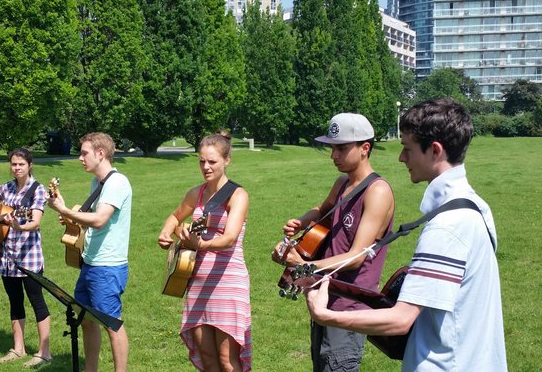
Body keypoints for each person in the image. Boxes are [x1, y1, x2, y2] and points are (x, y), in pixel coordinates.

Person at [306, 98, 508, 371]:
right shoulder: (476, 207)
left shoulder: (446, 227)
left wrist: (326, 315)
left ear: (435, 151)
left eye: (407, 149)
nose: (401, 158)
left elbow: (401, 319)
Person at [272, 113, 395, 371]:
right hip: (324, 298)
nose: (333, 155)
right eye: (332, 148)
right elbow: (322, 209)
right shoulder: (343, 183)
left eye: (341, 148)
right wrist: (302, 222)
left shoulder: (378, 191)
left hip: (349, 307)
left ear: (365, 149)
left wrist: (304, 266)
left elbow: (357, 256)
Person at [158, 131, 252, 372]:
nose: (206, 167)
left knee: (228, 362)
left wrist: (201, 245)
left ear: (227, 160)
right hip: (197, 281)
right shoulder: (196, 193)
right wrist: (167, 232)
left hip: (228, 281)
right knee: (208, 359)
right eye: (202, 161)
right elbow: (176, 215)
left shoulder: (237, 195)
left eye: (212, 162)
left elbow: (230, 238)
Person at [47, 132, 132, 372]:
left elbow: (100, 219)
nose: (80, 158)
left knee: (111, 323)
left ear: (101, 153)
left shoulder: (117, 182)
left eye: (84, 153)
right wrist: (71, 218)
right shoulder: (98, 182)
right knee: (86, 319)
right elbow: (89, 220)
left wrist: (65, 210)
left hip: (107, 266)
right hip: (90, 262)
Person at [0, 147, 53, 368]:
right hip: (6, 256)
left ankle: (44, 353)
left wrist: (17, 224)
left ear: (30, 165)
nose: (17, 168)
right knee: (14, 302)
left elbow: (35, 221)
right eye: (14, 164)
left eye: (21, 164)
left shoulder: (37, 190)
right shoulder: (5, 188)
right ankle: (18, 349)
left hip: (29, 257)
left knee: (37, 301)